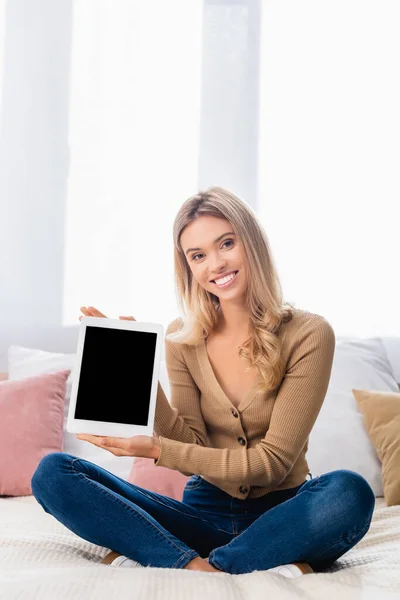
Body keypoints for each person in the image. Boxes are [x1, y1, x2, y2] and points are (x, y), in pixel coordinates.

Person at [31, 186, 375, 577]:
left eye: (226, 243)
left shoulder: (309, 333)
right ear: (189, 267)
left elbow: (272, 465)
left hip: (284, 517)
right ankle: (220, 563)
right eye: (198, 256)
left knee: (350, 492)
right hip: (200, 516)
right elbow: (191, 443)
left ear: (252, 242)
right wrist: (141, 373)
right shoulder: (183, 337)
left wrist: (159, 450)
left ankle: (185, 560)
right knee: (54, 473)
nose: (215, 265)